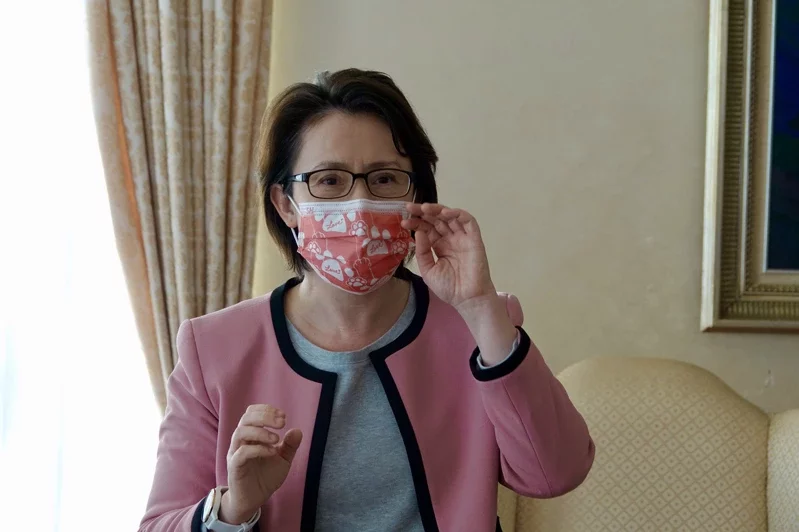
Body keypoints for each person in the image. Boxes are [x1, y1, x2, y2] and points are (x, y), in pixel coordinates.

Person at [140, 69, 594, 532]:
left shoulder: (476, 326)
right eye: (329, 180)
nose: (359, 204)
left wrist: (480, 309)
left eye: (385, 178)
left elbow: (555, 473)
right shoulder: (213, 347)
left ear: (416, 195)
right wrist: (232, 508)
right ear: (285, 204)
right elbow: (159, 523)